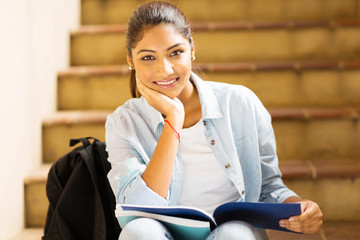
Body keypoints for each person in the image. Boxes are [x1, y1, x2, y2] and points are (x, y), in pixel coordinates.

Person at [105, 1, 323, 239]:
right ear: (130, 59)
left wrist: (301, 208)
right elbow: (138, 206)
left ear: (192, 49)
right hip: (160, 233)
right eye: (148, 58)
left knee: (234, 235)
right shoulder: (123, 122)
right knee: (138, 232)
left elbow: (268, 187)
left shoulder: (240, 103)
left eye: (175, 53)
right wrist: (173, 120)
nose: (165, 70)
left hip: (231, 232)